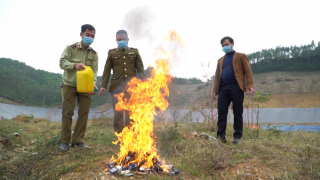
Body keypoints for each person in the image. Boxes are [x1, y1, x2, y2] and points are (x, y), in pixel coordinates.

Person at [59, 24, 98, 151]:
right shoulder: (70, 48)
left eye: (92, 36)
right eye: (87, 35)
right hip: (70, 85)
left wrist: (93, 83)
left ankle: (78, 141)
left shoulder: (94, 54)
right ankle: (65, 141)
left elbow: (95, 72)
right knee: (67, 112)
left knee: (84, 114)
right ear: (81, 34)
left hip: (86, 87)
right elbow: (62, 63)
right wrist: (74, 65)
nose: (90, 38)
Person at [99, 30, 146, 133]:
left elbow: (140, 70)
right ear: (116, 40)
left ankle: (130, 137)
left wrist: (144, 85)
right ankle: (120, 137)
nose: (121, 41)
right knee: (118, 114)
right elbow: (106, 71)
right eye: (119, 40)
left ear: (128, 39)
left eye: (123, 39)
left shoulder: (134, 52)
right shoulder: (111, 53)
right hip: (116, 88)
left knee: (131, 113)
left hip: (132, 88)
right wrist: (103, 86)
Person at [212, 36, 256, 144]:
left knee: (237, 112)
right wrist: (214, 90)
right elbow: (217, 76)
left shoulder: (241, 56)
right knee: (221, 113)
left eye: (226, 44)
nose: (225, 47)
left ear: (232, 44)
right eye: (223, 46)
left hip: (236, 87)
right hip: (223, 89)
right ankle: (220, 137)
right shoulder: (220, 60)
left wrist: (250, 85)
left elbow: (248, 72)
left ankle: (237, 138)